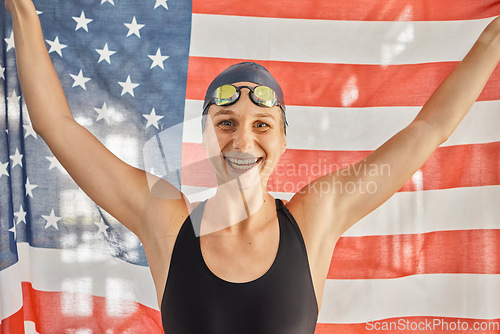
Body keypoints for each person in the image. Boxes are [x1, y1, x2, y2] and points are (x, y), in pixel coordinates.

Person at [4, 0, 500, 332]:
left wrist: (491, 42)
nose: (243, 139)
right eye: (226, 123)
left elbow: (427, 131)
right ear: (204, 137)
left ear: (284, 140)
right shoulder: (165, 219)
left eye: (262, 124)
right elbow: (57, 124)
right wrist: (22, 10)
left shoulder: (315, 217)